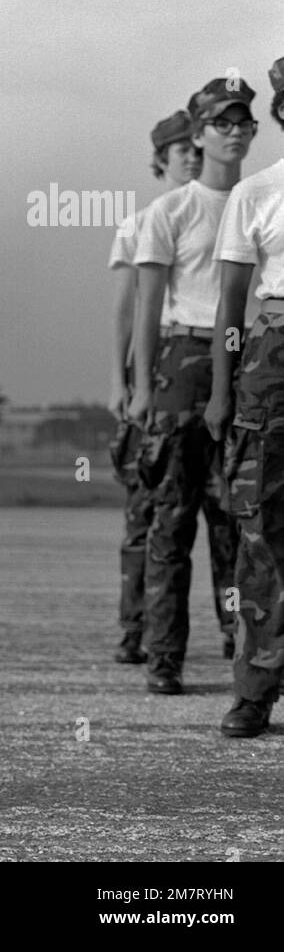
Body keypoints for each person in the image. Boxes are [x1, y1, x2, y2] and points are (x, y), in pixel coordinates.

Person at [129, 77, 254, 696]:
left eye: (243, 122)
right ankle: (164, 656)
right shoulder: (170, 212)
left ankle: (242, 646)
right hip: (182, 360)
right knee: (172, 520)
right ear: (198, 133)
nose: (235, 132)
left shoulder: (260, 198)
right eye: (221, 123)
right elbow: (146, 309)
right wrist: (141, 389)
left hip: (248, 355)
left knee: (237, 516)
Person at [106, 112, 236, 665]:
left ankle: (234, 633)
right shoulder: (145, 223)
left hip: (210, 365)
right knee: (152, 514)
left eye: (192, 145)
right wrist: (123, 379)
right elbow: (127, 310)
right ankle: (137, 630)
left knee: (224, 511)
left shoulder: (231, 208)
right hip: (161, 374)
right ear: (160, 158)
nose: (187, 154)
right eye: (176, 148)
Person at [205, 56, 284, 737]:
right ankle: (255, 687)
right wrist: (223, 393)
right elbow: (230, 308)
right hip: (273, 358)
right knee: (258, 528)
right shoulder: (255, 193)